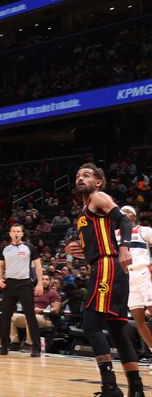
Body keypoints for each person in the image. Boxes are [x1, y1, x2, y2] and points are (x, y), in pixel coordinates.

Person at [64, 163, 144, 397]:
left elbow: (125, 221)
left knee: (91, 324)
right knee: (117, 329)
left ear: (98, 181)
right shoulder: (82, 212)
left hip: (108, 264)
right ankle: (136, 389)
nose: (80, 178)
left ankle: (110, 387)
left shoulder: (98, 197)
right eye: (78, 175)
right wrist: (77, 248)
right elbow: (95, 239)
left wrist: (125, 248)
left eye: (86, 175)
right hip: (105, 266)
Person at [0, 224, 44, 357]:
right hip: (9, 284)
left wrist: (39, 283)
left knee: (30, 315)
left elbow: (38, 266)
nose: (16, 233)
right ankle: (4, 346)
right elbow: (0, 265)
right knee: (5, 316)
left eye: (18, 231)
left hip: (24, 283)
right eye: (13, 231)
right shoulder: (5, 249)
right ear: (10, 233)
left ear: (22, 234)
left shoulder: (29, 247)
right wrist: (0, 279)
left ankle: (35, 347)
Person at [113, 206, 152, 355]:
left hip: (144, 274)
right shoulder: (114, 235)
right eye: (122, 212)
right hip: (126, 279)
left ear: (134, 217)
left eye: (128, 211)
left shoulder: (144, 230)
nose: (124, 213)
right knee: (139, 321)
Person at [8, 273, 61, 349]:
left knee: (30, 317)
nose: (44, 281)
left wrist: (41, 310)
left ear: (50, 282)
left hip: (45, 318)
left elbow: (56, 309)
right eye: (42, 279)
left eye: (47, 279)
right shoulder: (33, 292)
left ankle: (29, 343)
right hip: (30, 315)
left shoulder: (53, 293)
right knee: (10, 316)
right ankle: (14, 342)